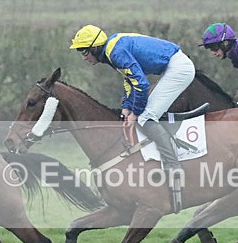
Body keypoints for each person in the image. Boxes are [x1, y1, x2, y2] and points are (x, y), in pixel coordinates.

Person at [69, 25, 195, 175]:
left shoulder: (115, 53)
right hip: (173, 66)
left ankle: (173, 165)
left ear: (95, 48)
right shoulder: (111, 49)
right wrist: (126, 107)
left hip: (179, 69)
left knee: (145, 116)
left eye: (84, 51)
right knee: (144, 114)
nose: (84, 57)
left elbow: (141, 84)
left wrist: (135, 113)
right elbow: (130, 80)